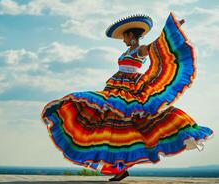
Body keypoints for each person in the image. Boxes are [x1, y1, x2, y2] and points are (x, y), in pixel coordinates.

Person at [40, 12, 214, 182]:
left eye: (124, 36)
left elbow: (158, 45)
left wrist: (174, 29)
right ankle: (119, 169)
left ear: (131, 35)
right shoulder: (129, 51)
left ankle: (179, 134)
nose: (123, 40)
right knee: (113, 127)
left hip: (130, 89)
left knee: (129, 123)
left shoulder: (140, 50)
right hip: (116, 88)